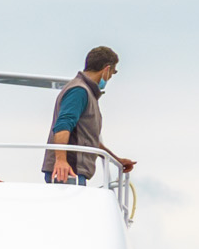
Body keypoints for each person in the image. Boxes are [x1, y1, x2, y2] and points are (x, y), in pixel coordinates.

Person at [46, 48, 137, 184]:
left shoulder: (86, 92)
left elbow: (88, 139)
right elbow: (63, 125)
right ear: (106, 70)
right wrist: (61, 161)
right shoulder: (79, 91)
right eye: (113, 73)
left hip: (73, 171)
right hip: (68, 171)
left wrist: (115, 159)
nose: (110, 77)